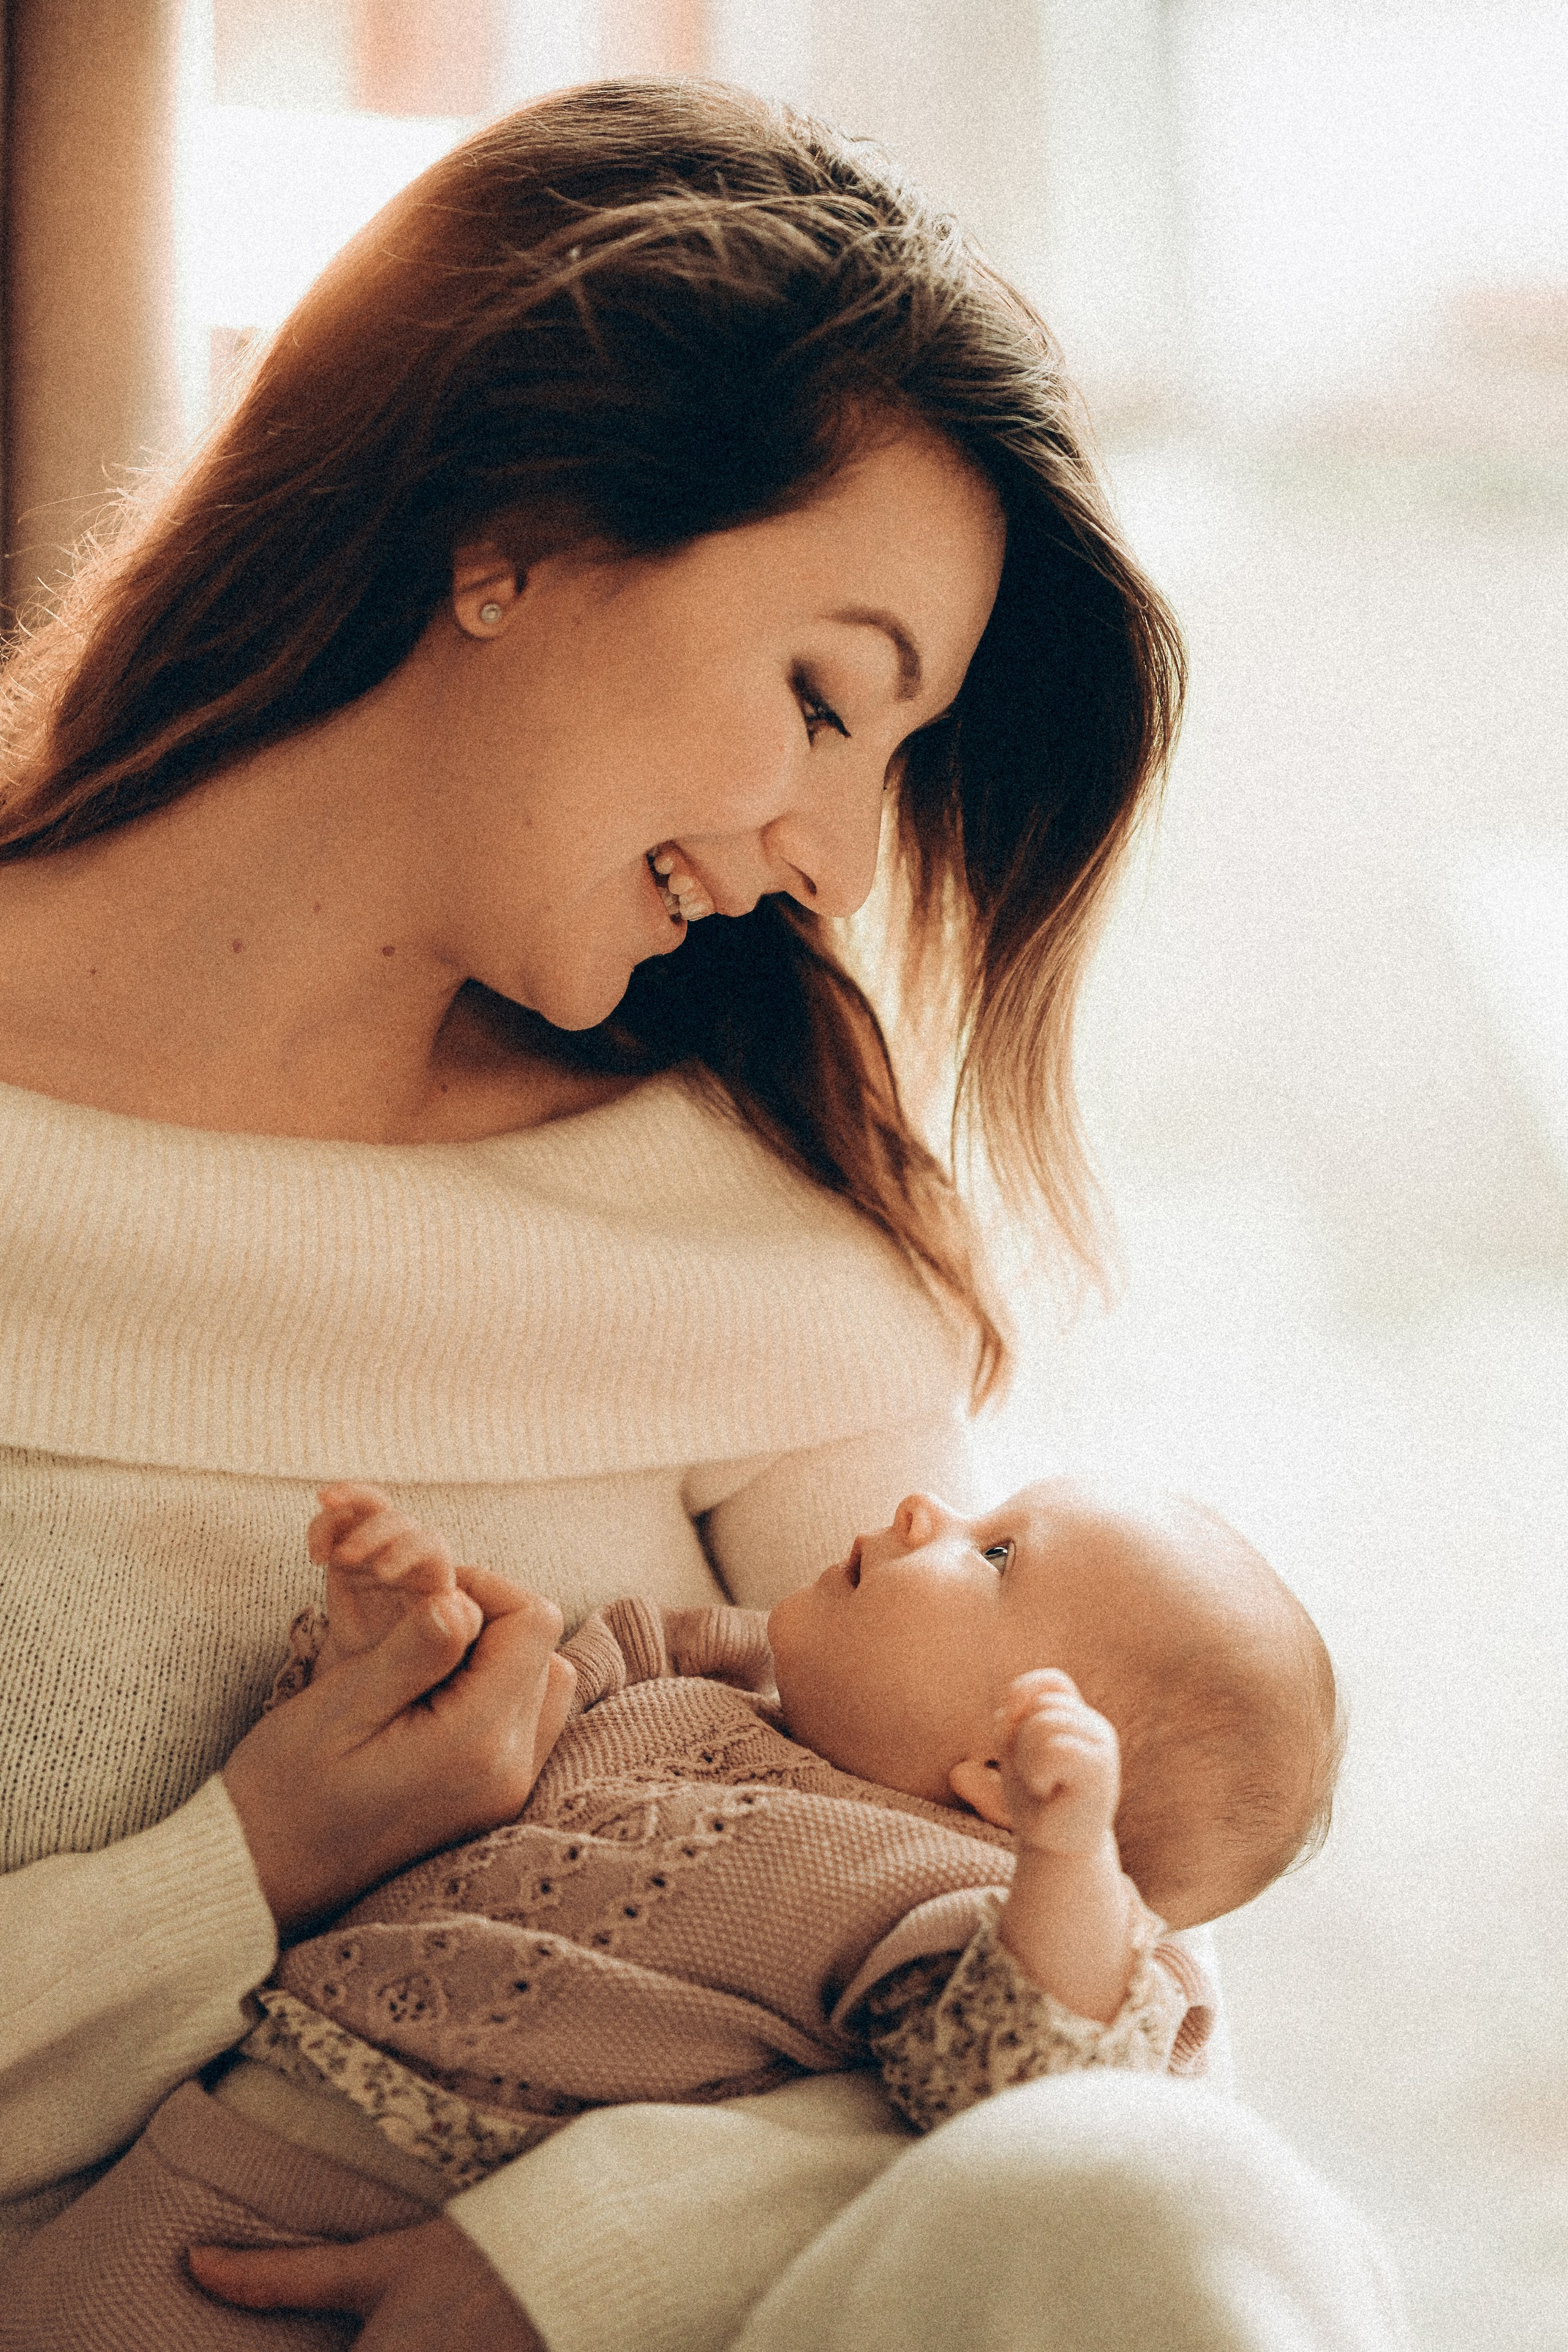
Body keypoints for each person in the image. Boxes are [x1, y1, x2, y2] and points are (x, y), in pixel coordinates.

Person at [0, 74, 1409, 2352]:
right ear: (514, 527)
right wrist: (243, 1867)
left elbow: (1109, 2055)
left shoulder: (747, 1242)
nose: (839, 864)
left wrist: (585, 2248)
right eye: (825, 698)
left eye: (895, 761)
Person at [2, 1469, 1341, 2350]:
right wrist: (393, 1652)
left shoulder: (950, 1896)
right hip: (220, 2141)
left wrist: (1066, 1861)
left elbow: (1039, 2107)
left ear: (1003, 1771)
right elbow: (413, 1773)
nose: (925, 1505)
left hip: (469, 2226)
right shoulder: (680, 1682)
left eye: (993, 1553)